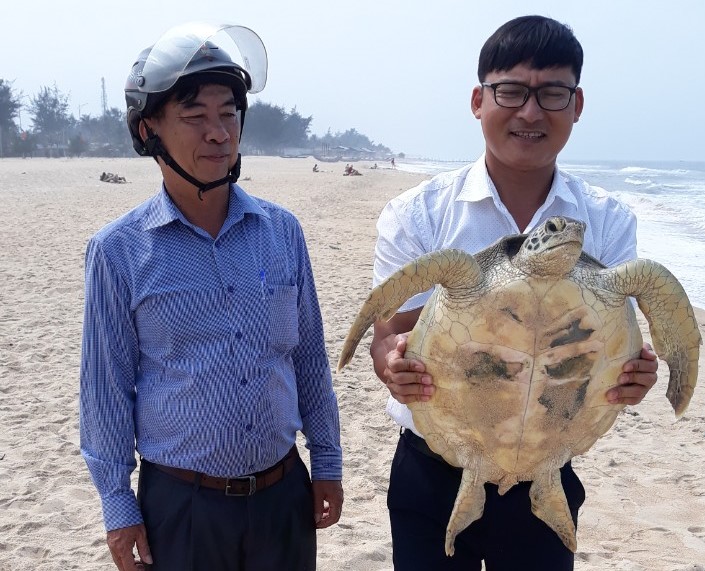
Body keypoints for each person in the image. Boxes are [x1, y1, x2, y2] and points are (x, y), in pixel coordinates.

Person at [369, 15, 658, 571]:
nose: (530, 112)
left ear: (577, 105)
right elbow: (389, 336)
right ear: (478, 101)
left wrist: (635, 376)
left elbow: (609, 347)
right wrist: (393, 365)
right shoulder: (419, 214)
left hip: (546, 468)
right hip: (433, 467)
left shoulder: (605, 221)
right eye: (511, 91)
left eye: (552, 93)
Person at [79, 22, 343, 571]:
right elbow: (106, 391)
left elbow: (309, 359)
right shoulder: (118, 251)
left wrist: (327, 460)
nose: (218, 133)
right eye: (195, 115)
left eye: (229, 113)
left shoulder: (282, 232)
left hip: (283, 496)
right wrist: (117, 504)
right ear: (149, 129)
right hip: (183, 507)